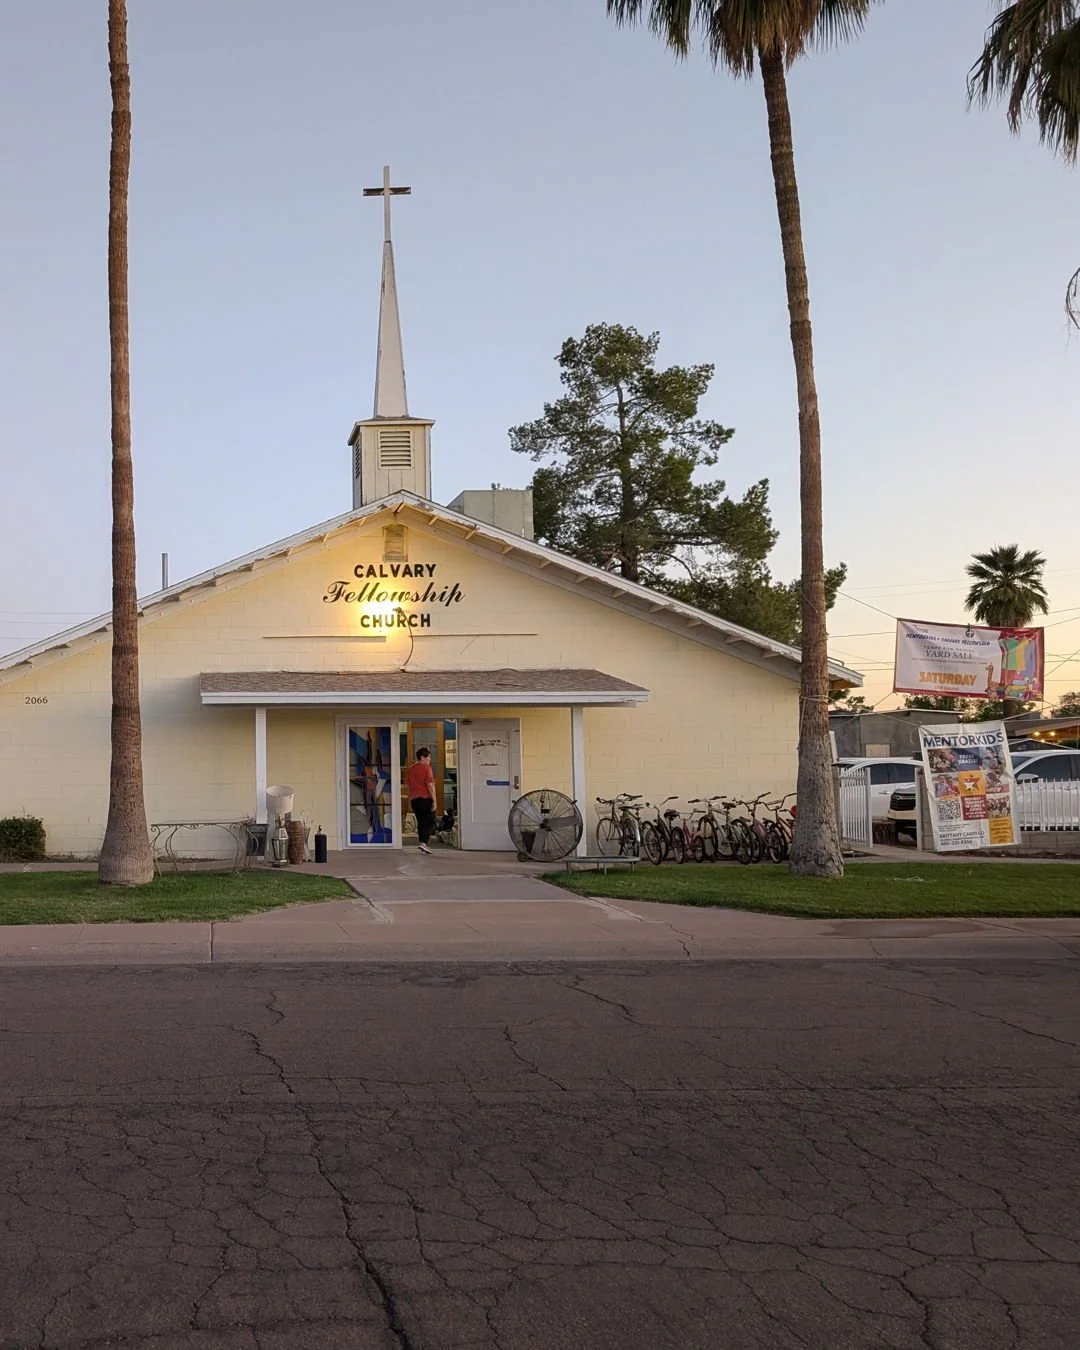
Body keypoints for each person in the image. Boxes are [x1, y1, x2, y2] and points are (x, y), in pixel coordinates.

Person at [405, 746, 437, 854]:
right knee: (431, 820)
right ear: (423, 757)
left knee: (421, 822)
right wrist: (435, 800)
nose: (430, 759)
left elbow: (408, 786)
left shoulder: (410, 769)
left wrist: (409, 800)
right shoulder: (426, 768)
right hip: (425, 798)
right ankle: (423, 842)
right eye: (429, 757)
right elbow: (430, 785)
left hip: (415, 799)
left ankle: (423, 843)